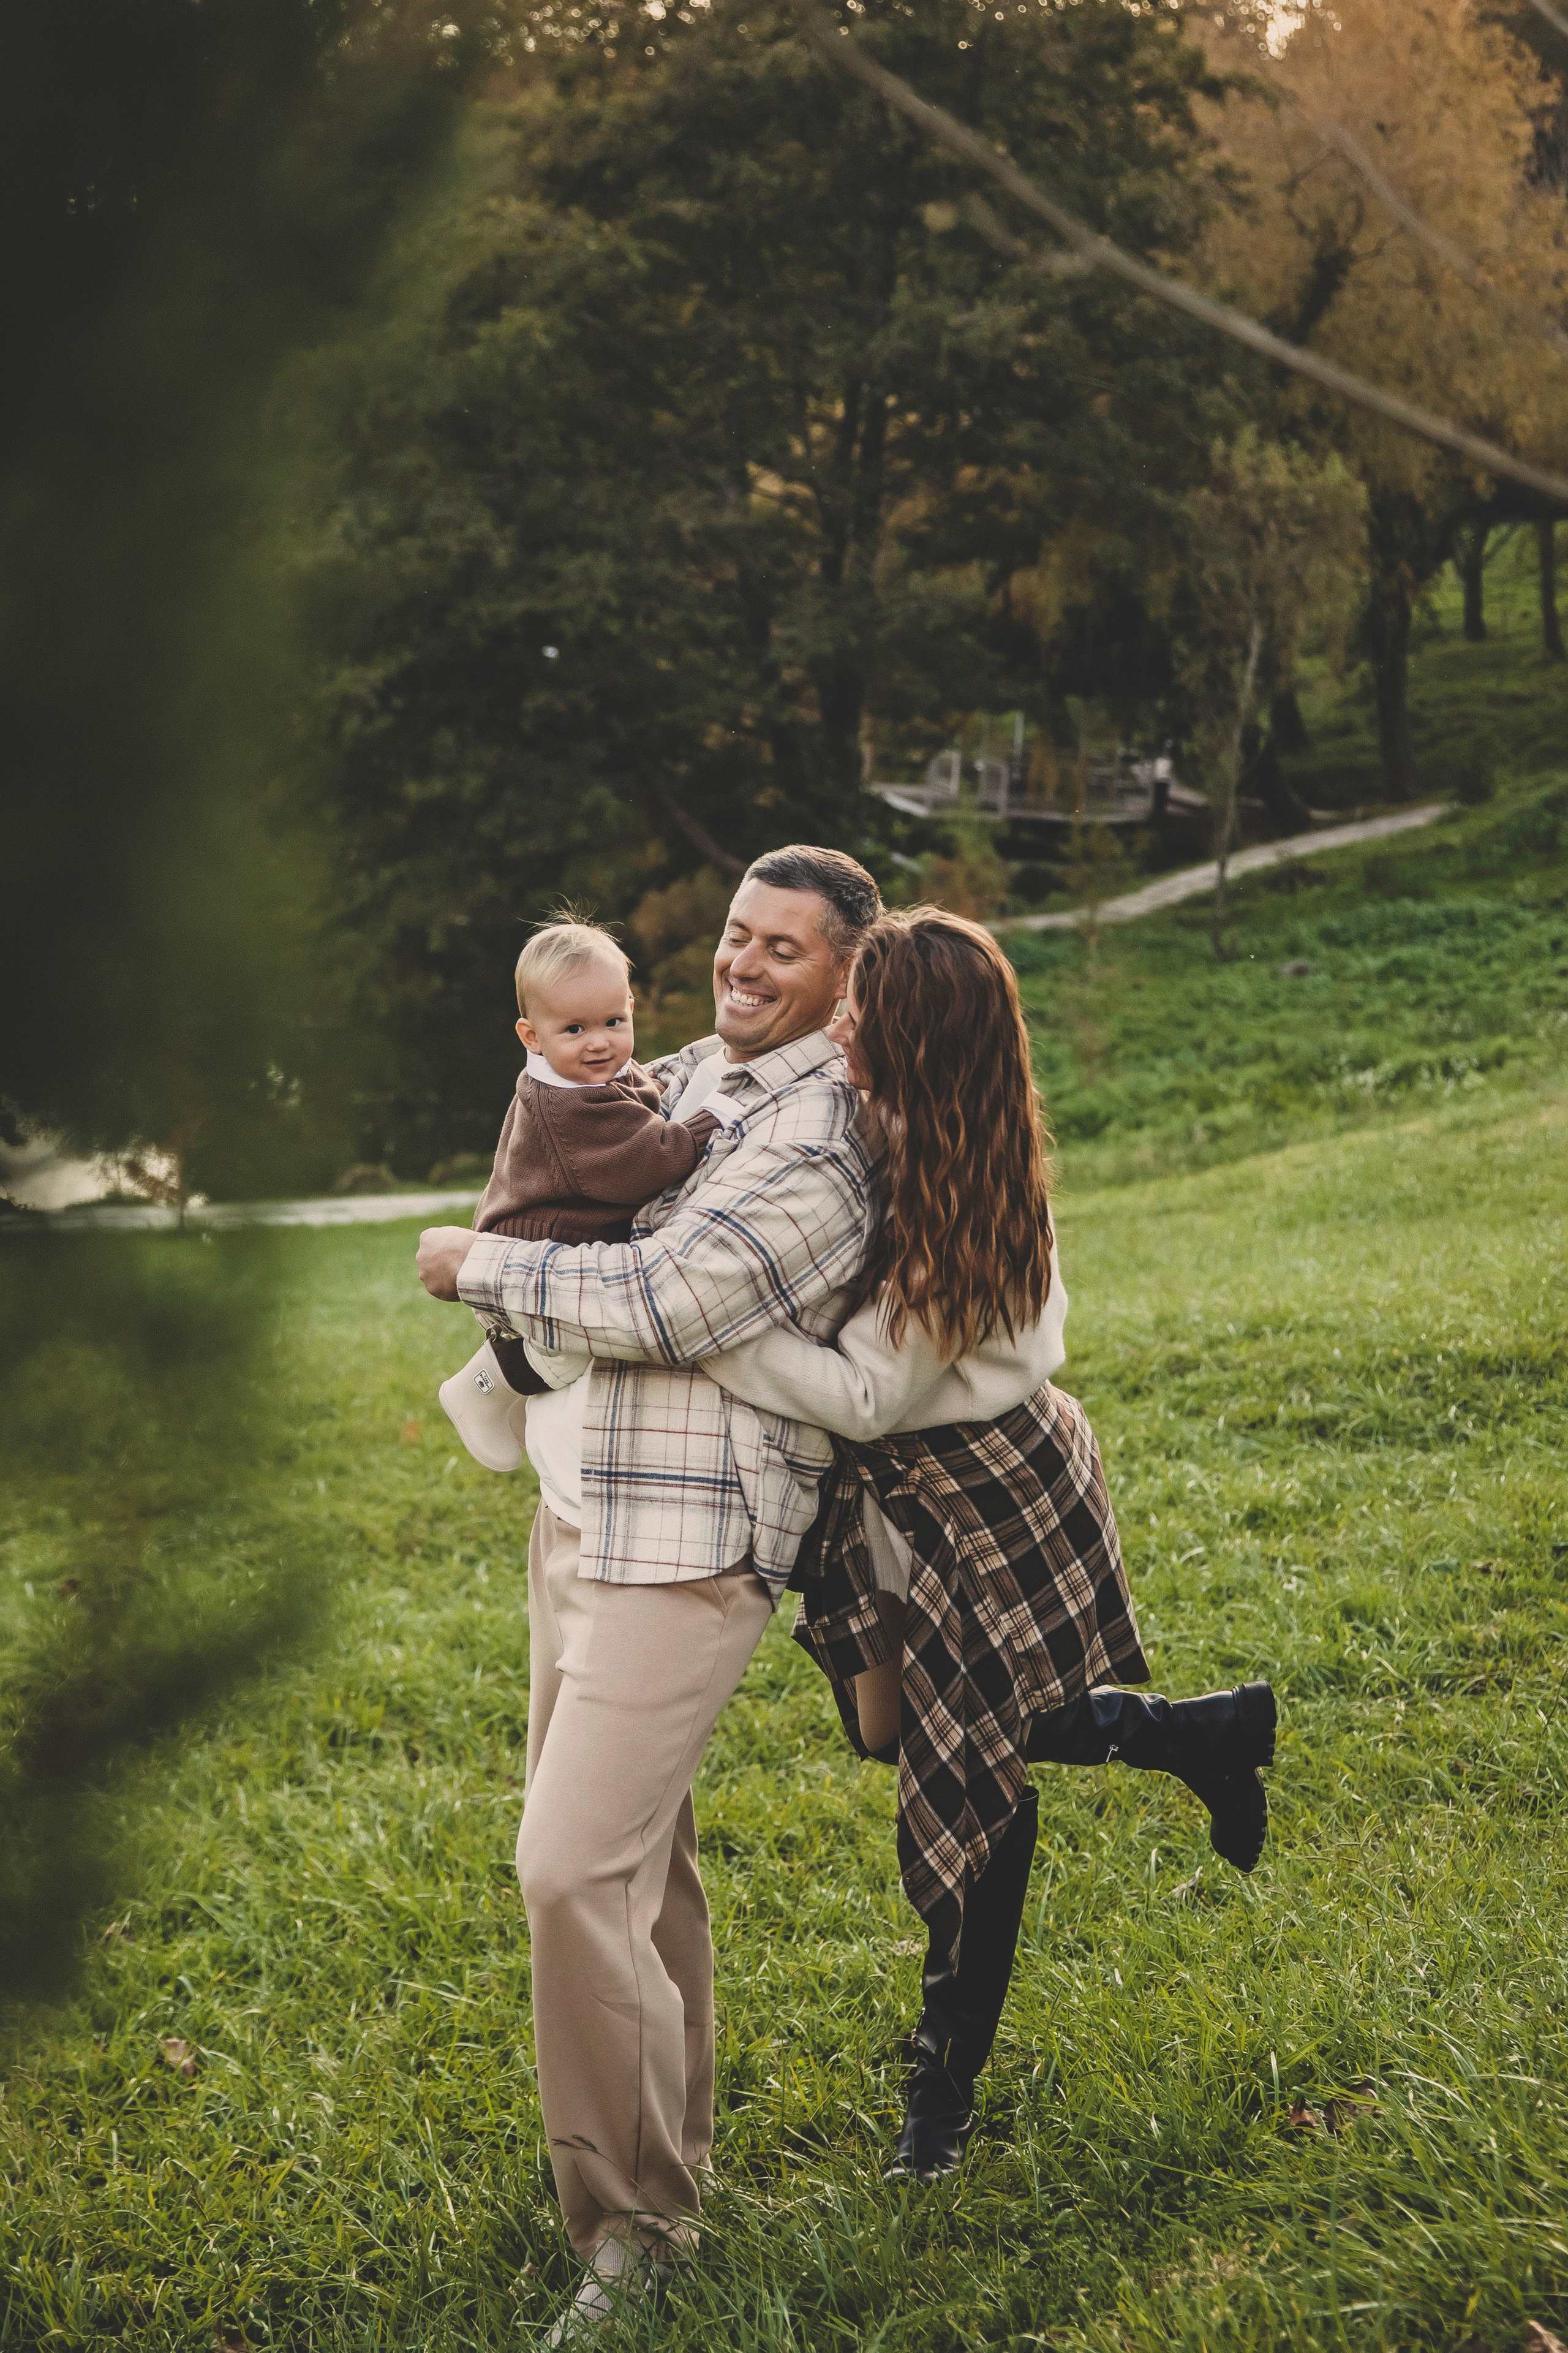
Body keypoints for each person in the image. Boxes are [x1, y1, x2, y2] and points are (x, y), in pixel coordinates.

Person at [703, 908, 1277, 2183]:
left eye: (859, 1009)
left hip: (981, 1489)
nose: (838, 1023)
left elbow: (864, 1397)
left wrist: (708, 1327)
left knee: (972, 1771)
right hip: (915, 1489)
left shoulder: (951, 1190)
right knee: (889, 1732)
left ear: (912, 1039)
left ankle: (943, 2082)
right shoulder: (920, 1122)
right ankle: (1192, 1734)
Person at [415, 845, 882, 2344]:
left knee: (567, 1868)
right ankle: (664, 2176)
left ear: (846, 976)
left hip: (685, 1543)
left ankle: (628, 2232)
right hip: (581, 1513)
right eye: (737, 934)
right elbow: (567, 1146)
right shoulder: (690, 1071)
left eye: (782, 948)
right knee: (635, 1870)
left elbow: (665, 1300)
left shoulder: (821, 1131)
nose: (741, 962)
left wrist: (478, 1266)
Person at [438, 915, 729, 1473]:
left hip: (567, 1223)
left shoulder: (590, 1074)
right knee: (574, 1340)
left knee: (573, 1335)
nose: (599, 1042)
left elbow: (643, 1095)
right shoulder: (567, 1105)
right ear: (532, 1036)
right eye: (574, 1029)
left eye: (614, 1021)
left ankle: (512, 1398)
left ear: (631, 1009)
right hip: (540, 1237)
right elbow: (652, 1160)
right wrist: (710, 1118)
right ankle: (482, 1388)